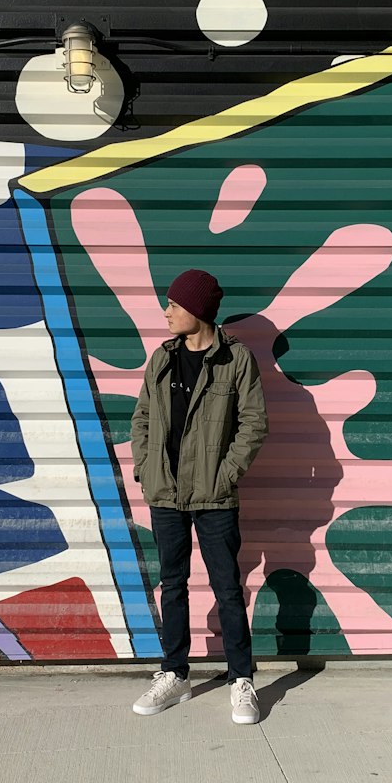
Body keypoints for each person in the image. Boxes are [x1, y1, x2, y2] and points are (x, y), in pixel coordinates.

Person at [130, 269, 268, 724]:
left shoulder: (237, 360)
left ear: (198, 310)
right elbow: (143, 419)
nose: (166, 312)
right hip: (166, 493)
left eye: (174, 304)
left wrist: (226, 474)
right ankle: (175, 674)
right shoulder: (162, 358)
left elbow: (253, 424)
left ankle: (241, 679)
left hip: (215, 495)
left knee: (228, 588)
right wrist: (146, 470)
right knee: (172, 585)